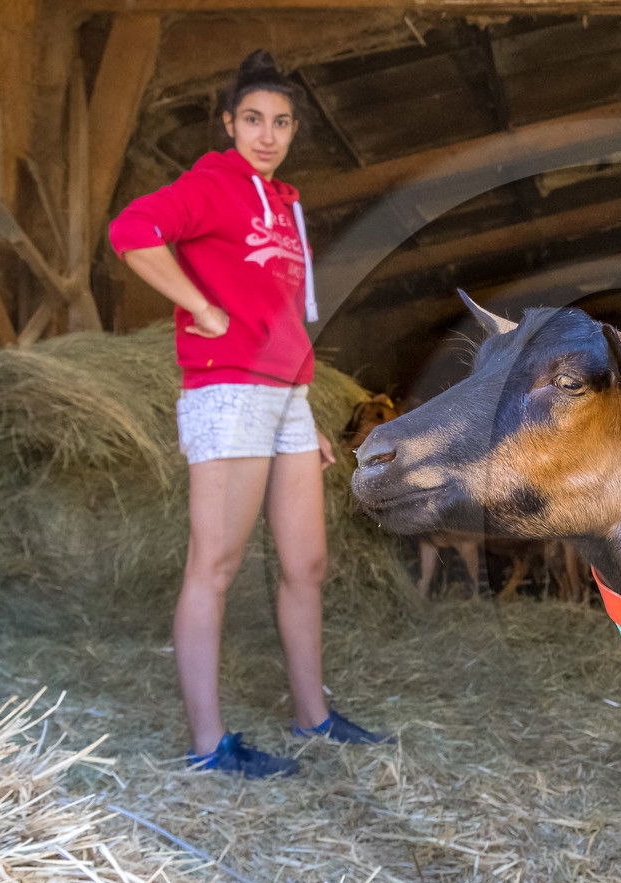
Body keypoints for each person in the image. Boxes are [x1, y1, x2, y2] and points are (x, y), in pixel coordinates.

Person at [110, 50, 390, 778]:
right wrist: (199, 306)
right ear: (231, 123)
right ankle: (209, 746)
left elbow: (285, 318)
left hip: (284, 400)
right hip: (227, 392)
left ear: (294, 131)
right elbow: (131, 233)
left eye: (282, 123)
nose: (267, 135)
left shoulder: (287, 203)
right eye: (254, 120)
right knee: (217, 562)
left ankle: (312, 716)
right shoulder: (210, 187)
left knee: (308, 561)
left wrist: (304, 408)